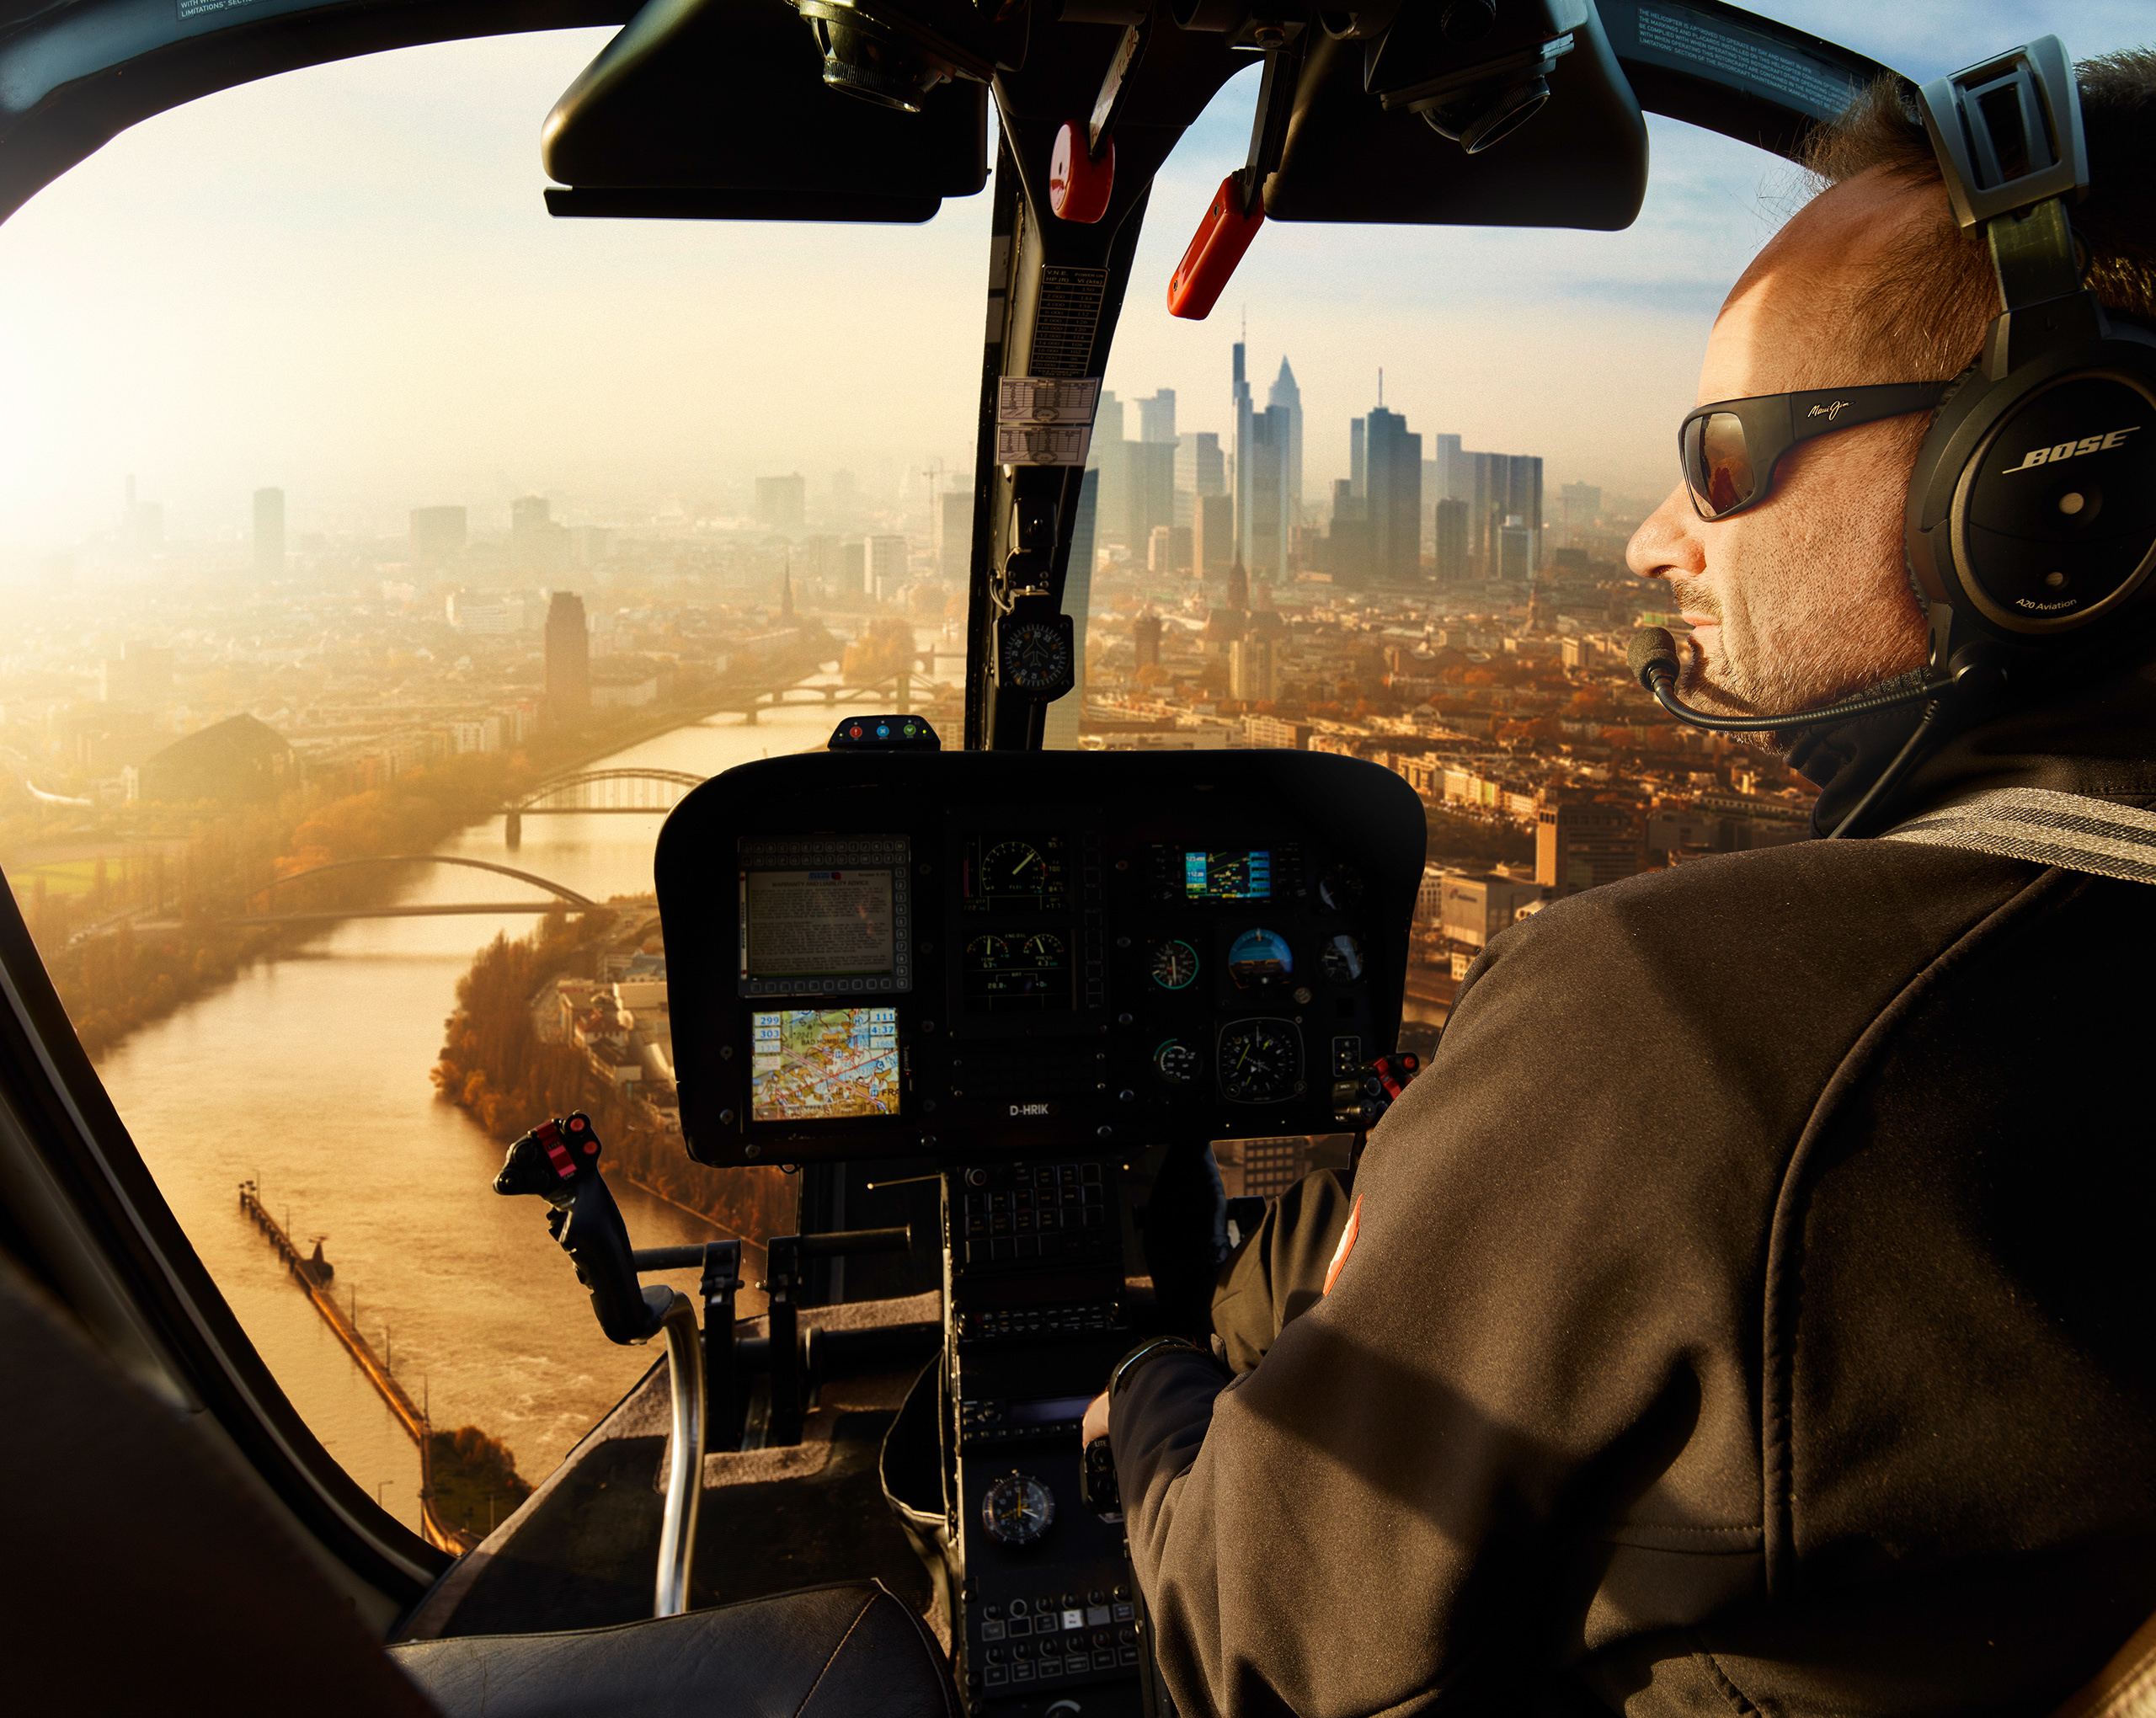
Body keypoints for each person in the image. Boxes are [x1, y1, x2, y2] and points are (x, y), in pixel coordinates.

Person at [1082, 49, 2156, 1718]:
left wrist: (1142, 1388)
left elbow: (1256, 1632)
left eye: (1721, 458)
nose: (1659, 540)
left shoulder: (1678, 1024)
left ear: (2045, 493)